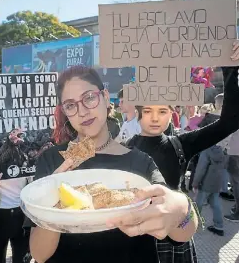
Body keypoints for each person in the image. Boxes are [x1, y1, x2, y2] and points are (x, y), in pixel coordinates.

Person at [27, 66, 198, 263]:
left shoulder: (140, 162)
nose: (82, 111)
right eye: (70, 105)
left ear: (106, 97)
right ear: (65, 111)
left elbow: (183, 234)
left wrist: (183, 208)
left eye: (89, 97)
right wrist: (53, 194)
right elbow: (39, 254)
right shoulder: (51, 161)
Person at [126, 41, 239, 191]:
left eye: (162, 111)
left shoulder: (182, 145)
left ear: (171, 113)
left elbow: (230, 122)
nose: (155, 118)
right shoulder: (124, 149)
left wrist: (230, 67)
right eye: (147, 111)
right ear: (138, 113)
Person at [192, 144, 228, 236]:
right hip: (217, 182)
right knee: (215, 203)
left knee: (197, 204)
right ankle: (219, 226)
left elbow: (201, 169)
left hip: (205, 183)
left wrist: (195, 183)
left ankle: (192, 225)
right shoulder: (221, 150)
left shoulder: (206, 151)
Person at [224, 129, 239, 222]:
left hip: (235, 153)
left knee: (236, 184)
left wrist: (225, 146)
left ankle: (238, 213)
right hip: (235, 153)